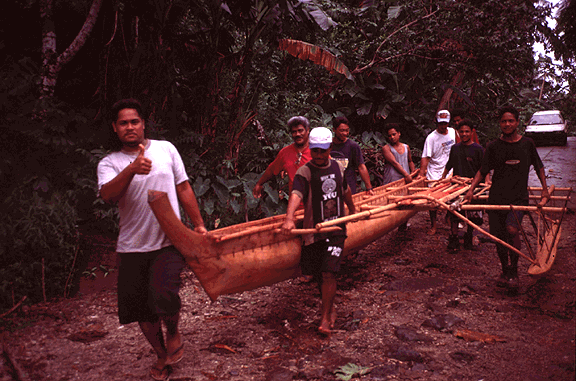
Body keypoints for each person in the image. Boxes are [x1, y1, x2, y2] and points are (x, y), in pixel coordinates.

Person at [97, 99, 207, 381]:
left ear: (144, 123)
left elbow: (183, 187)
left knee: (164, 294)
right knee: (141, 310)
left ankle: (173, 332)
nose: (130, 127)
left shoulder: (166, 149)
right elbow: (108, 196)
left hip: (169, 241)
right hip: (131, 246)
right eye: (123, 123)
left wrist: (199, 225)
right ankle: (161, 355)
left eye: (135, 121)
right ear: (115, 128)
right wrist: (132, 169)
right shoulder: (110, 163)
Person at [464, 106, 549, 291]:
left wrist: (544, 190)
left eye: (511, 120)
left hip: (518, 198)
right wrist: (471, 190)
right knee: (499, 237)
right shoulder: (493, 146)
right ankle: (505, 270)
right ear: (500, 124)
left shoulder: (527, 144)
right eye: (503, 121)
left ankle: (515, 270)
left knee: (511, 230)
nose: (507, 124)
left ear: (518, 122)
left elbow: (539, 166)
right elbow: (483, 170)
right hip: (497, 197)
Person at [281, 127, 356, 335]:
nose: (319, 155)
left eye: (323, 151)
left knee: (328, 272)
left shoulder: (337, 168)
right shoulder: (304, 171)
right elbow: (296, 194)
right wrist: (289, 218)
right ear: (310, 149)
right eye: (315, 151)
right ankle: (330, 308)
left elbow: (345, 190)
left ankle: (324, 318)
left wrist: (354, 210)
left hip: (336, 229)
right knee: (317, 273)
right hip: (313, 231)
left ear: (330, 148)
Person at [441, 119, 489, 251]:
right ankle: (454, 238)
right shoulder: (455, 148)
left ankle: (469, 235)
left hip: (473, 186)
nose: (464, 134)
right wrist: (443, 178)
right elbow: (449, 164)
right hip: (457, 185)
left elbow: (484, 168)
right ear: (457, 133)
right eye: (461, 131)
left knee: (473, 214)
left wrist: (487, 181)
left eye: (467, 131)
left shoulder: (478, 149)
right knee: (454, 213)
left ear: (472, 132)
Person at [419, 109, 458, 234]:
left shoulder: (453, 132)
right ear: (436, 122)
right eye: (441, 123)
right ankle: (433, 224)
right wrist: (422, 173)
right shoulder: (431, 138)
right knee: (433, 200)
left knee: (452, 195)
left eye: (445, 123)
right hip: (435, 171)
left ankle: (449, 217)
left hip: (450, 169)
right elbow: (426, 157)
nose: (443, 126)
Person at [253, 116, 312, 198]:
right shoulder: (285, 153)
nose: (297, 134)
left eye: (300, 130)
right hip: (295, 204)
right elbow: (272, 169)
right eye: (294, 132)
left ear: (308, 130)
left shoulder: (318, 151)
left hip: (316, 204)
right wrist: (259, 184)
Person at [330, 116, 374, 195]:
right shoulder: (328, 146)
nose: (345, 133)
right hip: (331, 187)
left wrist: (369, 187)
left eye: (347, 130)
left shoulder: (353, 146)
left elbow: (361, 167)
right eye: (342, 130)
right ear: (334, 130)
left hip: (349, 188)